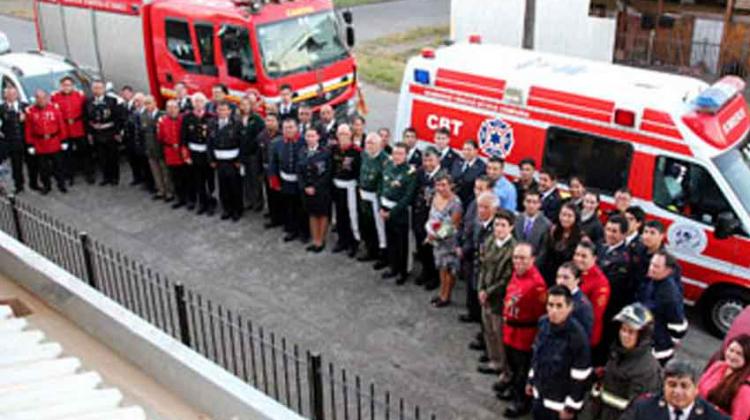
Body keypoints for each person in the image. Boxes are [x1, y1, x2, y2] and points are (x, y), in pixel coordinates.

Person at [582, 303, 662, 420]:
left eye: (630, 332)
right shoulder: (617, 354)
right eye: (623, 329)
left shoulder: (647, 371)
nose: (624, 335)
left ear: (643, 336)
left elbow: (638, 412)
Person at [527, 285, 591, 420]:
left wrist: (570, 407)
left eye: (559, 306)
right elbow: (536, 356)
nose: (553, 311)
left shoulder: (578, 336)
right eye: (550, 305)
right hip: (539, 396)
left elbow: (580, 376)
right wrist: (531, 380)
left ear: (569, 307)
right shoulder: (543, 324)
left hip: (559, 405)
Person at [501, 242, 547, 418]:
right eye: (515, 257)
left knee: (522, 370)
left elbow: (540, 314)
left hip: (525, 334)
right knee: (513, 366)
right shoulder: (517, 274)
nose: (518, 261)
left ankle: (521, 402)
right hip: (510, 330)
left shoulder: (537, 285)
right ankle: (513, 391)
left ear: (533, 260)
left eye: (523, 258)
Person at [476, 209, 516, 381]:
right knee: (488, 330)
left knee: (499, 333)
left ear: (511, 227)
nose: (499, 229)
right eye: (496, 224)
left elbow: (506, 278)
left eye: (503, 225)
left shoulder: (512, 249)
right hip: (485, 294)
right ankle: (493, 360)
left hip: (499, 298)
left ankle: (503, 366)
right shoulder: (490, 241)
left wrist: (488, 291)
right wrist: (480, 289)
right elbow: (482, 266)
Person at [621, 359, 728, 420]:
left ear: (696, 389)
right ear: (664, 386)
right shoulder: (642, 408)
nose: (677, 391)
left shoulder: (714, 417)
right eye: (672, 385)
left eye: (684, 386)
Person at [596, 214, 634, 365]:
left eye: (614, 231)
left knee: (600, 346)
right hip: (595, 305)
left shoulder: (624, 259)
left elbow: (609, 285)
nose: (609, 234)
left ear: (624, 234)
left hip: (608, 309)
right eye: (608, 229)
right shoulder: (601, 246)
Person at [639, 251, 688, 366]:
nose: (651, 268)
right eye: (651, 264)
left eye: (656, 266)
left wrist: (670, 341)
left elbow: (678, 326)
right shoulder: (654, 281)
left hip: (658, 349)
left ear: (668, 271)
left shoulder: (669, 295)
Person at [458, 180, 496, 324]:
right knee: (470, 287)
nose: (481, 210)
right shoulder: (473, 204)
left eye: (485, 207)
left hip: (484, 264)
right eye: (476, 188)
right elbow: (467, 228)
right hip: (470, 258)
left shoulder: (496, 224)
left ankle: (482, 324)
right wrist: (462, 246)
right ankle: (472, 313)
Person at [379, 143, 416, 283]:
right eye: (395, 153)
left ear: (406, 155)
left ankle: (403, 271)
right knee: (391, 240)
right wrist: (381, 207)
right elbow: (383, 187)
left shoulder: (410, 172)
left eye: (401, 153)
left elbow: (408, 197)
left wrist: (392, 212)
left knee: (402, 244)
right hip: (386, 209)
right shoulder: (388, 166)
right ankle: (392, 267)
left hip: (400, 212)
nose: (397, 156)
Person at [426, 172, 463, 307]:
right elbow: (431, 216)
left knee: (449, 269)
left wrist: (435, 235)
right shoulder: (435, 196)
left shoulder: (456, 203)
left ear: (451, 186)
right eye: (438, 185)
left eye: (444, 185)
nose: (440, 188)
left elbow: (454, 225)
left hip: (449, 241)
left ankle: (447, 296)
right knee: (441, 267)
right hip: (436, 241)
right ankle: (441, 293)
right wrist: (429, 232)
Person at [270, 118, 306, 241]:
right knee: (288, 206)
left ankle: (304, 232)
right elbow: (273, 162)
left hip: (300, 181)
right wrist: (274, 179)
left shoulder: (303, 142)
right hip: (285, 180)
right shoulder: (276, 143)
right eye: (286, 128)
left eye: (291, 127)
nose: (288, 130)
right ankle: (291, 229)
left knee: (302, 207)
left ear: (296, 128)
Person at [24, 90, 67, 194]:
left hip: (54, 142)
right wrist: (30, 144)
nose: (41, 100)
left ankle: (61, 185)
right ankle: (47, 186)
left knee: (59, 167)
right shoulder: (31, 111)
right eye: (38, 98)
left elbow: (61, 125)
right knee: (43, 169)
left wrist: (63, 140)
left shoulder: (54, 109)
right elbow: (28, 129)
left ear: (47, 98)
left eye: (43, 97)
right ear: (36, 99)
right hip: (40, 144)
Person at [699, 335, 750, 419]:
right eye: (731, 350)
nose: (732, 356)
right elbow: (697, 389)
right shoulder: (718, 366)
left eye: (739, 354)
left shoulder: (745, 388)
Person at [181, 92, 217, 216]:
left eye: (201, 101)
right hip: (195, 154)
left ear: (205, 103)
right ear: (192, 103)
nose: (198, 104)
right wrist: (186, 156)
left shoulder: (211, 117)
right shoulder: (187, 117)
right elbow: (184, 138)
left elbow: (214, 138)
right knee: (198, 180)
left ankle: (211, 203)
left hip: (207, 154)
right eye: (196, 101)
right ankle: (202, 203)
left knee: (210, 180)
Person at [356, 133, 388, 266]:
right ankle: (370, 250)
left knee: (380, 227)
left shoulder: (385, 159)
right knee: (367, 225)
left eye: (373, 143)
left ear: (380, 144)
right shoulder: (364, 155)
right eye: (368, 142)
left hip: (376, 197)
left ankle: (383, 255)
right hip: (364, 195)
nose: (369, 145)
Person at [85, 79, 124, 186]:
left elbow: (117, 118)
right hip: (97, 133)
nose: (96, 90)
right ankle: (106, 177)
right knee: (102, 158)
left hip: (110, 133)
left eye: (99, 88)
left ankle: (115, 178)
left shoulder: (111, 101)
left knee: (113, 157)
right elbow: (86, 118)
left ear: (103, 89)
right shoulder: (88, 101)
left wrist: (117, 132)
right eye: (94, 88)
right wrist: (90, 132)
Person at [51, 75, 89, 185]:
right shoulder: (55, 98)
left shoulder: (80, 96)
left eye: (69, 85)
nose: (66, 87)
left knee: (84, 152)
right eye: (64, 85)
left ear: (73, 86)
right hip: (65, 130)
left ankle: (88, 174)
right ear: (61, 86)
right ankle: (70, 176)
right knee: (67, 154)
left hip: (79, 128)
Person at [330, 123, 361, 257]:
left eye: (345, 134)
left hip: (351, 188)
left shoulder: (357, 151)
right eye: (340, 134)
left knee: (351, 216)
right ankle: (342, 240)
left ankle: (353, 243)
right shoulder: (333, 149)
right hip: (337, 186)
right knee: (340, 215)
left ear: (351, 135)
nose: (343, 137)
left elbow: (359, 171)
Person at [299, 127, 332, 251]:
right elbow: (299, 171)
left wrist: (315, 187)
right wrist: (304, 186)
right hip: (307, 189)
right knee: (312, 214)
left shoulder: (325, 152)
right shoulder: (302, 151)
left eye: (313, 136)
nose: (310, 139)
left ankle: (321, 240)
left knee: (322, 214)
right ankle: (315, 239)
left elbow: (327, 173)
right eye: (308, 136)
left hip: (321, 190)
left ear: (318, 137)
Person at [575, 239, 611, 350]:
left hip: (585, 336)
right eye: (577, 254)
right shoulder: (573, 271)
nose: (579, 259)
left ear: (594, 259)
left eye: (584, 256)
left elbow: (593, 316)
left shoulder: (600, 283)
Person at [209, 102, 243, 221]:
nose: (221, 112)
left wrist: (239, 160)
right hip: (219, 161)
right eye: (219, 110)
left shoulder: (236, 124)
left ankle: (237, 210)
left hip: (233, 161)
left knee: (235, 187)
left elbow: (242, 143)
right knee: (223, 187)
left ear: (229, 111)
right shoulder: (212, 123)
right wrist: (211, 159)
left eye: (224, 110)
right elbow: (209, 143)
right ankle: (226, 209)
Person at [412, 147, 440, 290]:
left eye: (431, 160)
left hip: (435, 219)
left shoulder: (443, 176)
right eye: (425, 160)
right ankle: (425, 271)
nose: (427, 163)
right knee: (421, 246)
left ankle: (434, 277)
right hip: (419, 215)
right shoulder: (420, 172)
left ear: (438, 160)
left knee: (432, 248)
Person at [538, 202, 582, 286]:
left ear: (576, 218)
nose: (565, 218)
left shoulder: (580, 238)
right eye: (563, 214)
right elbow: (543, 254)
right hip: (547, 274)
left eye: (569, 216)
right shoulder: (552, 231)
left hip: (565, 278)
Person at [157, 100, 189, 209]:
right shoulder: (162, 121)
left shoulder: (183, 119)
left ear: (178, 108)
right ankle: (180, 198)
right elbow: (160, 137)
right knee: (175, 178)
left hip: (183, 152)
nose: (171, 110)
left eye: (174, 107)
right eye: (169, 108)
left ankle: (190, 199)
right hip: (171, 153)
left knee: (187, 177)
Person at [0, 86, 32, 193]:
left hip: (26, 140)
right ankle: (19, 185)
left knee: (32, 163)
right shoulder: (2, 108)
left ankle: (34, 183)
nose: (13, 96)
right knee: (16, 165)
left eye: (14, 94)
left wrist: (26, 119)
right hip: (12, 141)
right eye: (10, 94)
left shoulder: (25, 106)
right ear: (5, 96)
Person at [142, 95, 173, 201]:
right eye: (145, 104)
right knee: (155, 171)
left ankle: (169, 192)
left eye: (149, 103)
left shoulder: (162, 115)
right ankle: (160, 190)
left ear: (155, 103)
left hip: (161, 148)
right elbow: (144, 133)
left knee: (165, 171)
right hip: (150, 148)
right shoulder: (144, 115)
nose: (147, 106)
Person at [237, 96, 265, 212]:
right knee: (246, 178)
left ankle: (258, 202)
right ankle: (248, 200)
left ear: (251, 106)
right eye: (242, 104)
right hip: (242, 154)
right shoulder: (238, 119)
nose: (245, 107)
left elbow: (261, 136)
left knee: (256, 179)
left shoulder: (257, 119)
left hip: (254, 154)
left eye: (247, 104)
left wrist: (258, 153)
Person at [555, 262, 593, 338]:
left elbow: (583, 337)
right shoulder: (555, 295)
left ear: (577, 280)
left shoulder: (582, 306)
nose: (560, 281)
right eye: (558, 277)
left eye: (566, 278)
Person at [259, 113, 283, 228]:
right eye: (267, 120)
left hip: (279, 169)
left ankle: (282, 217)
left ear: (277, 122)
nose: (269, 123)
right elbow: (259, 153)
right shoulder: (262, 136)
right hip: (266, 168)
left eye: (272, 120)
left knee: (280, 195)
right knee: (269, 193)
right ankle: (274, 216)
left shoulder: (282, 135)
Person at [124, 93, 151, 190]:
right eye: (135, 101)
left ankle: (149, 184)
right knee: (136, 162)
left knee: (146, 165)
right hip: (133, 141)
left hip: (144, 142)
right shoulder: (134, 112)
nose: (137, 103)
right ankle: (139, 179)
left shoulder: (147, 112)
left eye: (139, 101)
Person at [513, 189, 551, 253]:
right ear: (523, 202)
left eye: (534, 202)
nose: (531, 205)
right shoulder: (516, 219)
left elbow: (543, 250)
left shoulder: (546, 224)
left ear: (539, 204)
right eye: (528, 201)